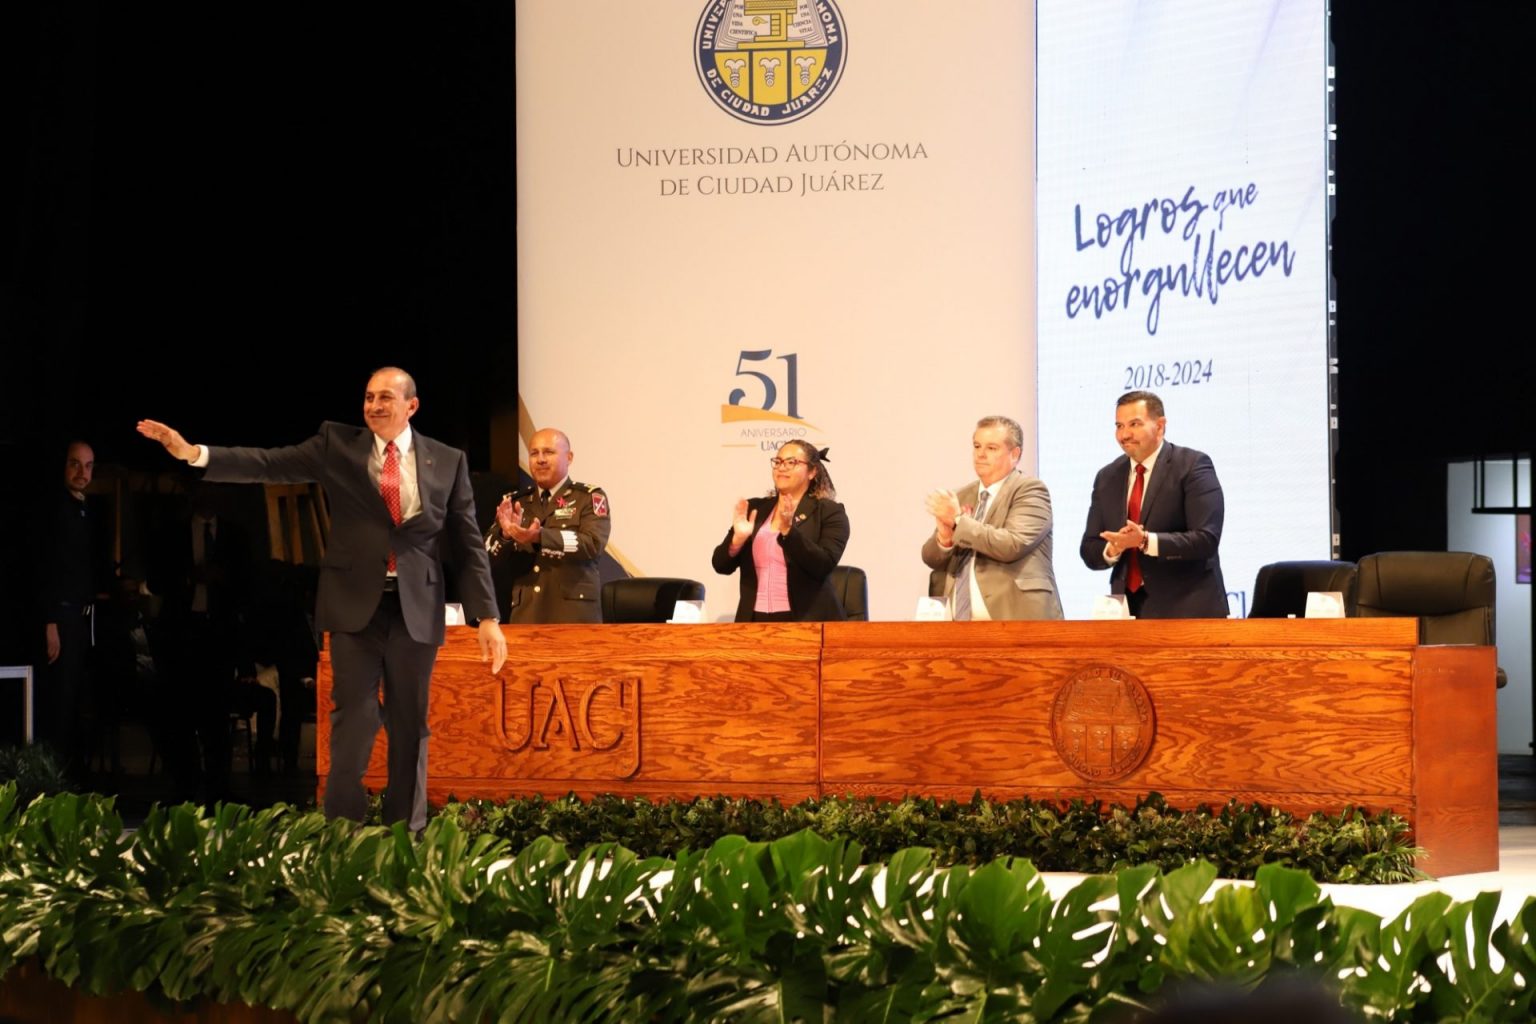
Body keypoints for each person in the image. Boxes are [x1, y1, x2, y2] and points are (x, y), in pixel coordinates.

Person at [137, 366, 507, 830]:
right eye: (369, 397)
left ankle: (406, 835)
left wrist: (486, 616)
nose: (374, 405)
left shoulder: (447, 460)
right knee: (353, 720)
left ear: (411, 406)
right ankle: (342, 832)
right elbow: (269, 464)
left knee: (410, 726)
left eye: (385, 398)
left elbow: (468, 541)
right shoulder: (338, 444)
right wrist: (194, 453)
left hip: (415, 606)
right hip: (354, 605)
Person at [1079, 390, 1227, 619]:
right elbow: (1090, 549)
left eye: (1134, 424)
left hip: (1188, 610)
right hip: (1127, 611)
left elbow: (1206, 539)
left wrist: (1145, 541)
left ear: (1160, 426)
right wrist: (1114, 548)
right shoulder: (1107, 477)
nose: (1124, 434)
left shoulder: (1192, 466)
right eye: (1119, 426)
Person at [921, 415, 1063, 621]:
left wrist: (959, 521)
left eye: (991, 448)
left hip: (1018, 621)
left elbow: (1012, 544)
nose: (980, 454)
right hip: (960, 626)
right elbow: (930, 558)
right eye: (977, 446)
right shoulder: (962, 495)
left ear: (1015, 454)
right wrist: (944, 538)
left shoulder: (1030, 490)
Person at [35, 440, 111, 772]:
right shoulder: (55, 509)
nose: (82, 472)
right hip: (61, 615)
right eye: (75, 464)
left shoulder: (85, 509)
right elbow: (46, 566)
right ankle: (53, 779)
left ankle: (72, 775)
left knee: (78, 701)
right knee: (60, 703)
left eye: (88, 466)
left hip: (81, 617)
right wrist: (50, 621)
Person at [712, 441, 849, 622]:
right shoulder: (755, 509)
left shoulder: (829, 512)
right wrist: (737, 541)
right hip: (754, 620)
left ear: (812, 472)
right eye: (778, 462)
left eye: (792, 462)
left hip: (807, 621)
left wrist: (788, 531)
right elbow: (720, 565)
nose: (782, 467)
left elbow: (823, 565)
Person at [486, 428, 611, 623]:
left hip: (573, 616)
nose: (540, 459)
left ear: (569, 458)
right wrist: (505, 535)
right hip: (527, 615)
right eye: (534, 453)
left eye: (549, 452)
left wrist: (540, 537)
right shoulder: (516, 502)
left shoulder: (588, 497)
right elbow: (485, 557)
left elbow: (592, 544)